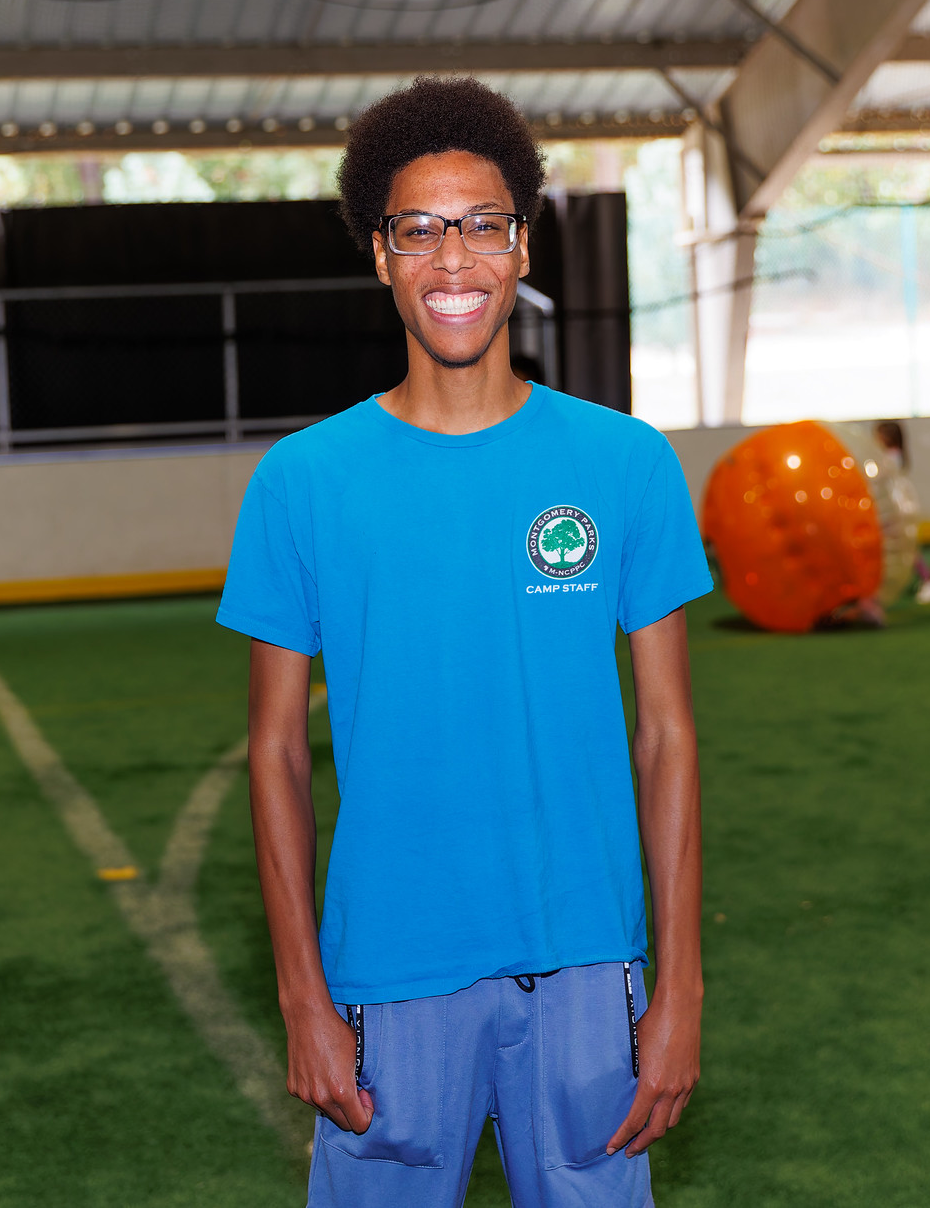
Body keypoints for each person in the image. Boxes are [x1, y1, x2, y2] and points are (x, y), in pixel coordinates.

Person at [218, 76, 712, 1208]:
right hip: (386, 979)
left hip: (589, 972)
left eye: (482, 225)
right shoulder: (301, 484)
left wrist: (676, 989)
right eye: (419, 230)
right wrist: (301, 994)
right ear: (378, 255)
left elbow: (668, 739)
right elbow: (276, 753)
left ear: (522, 245)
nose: (454, 260)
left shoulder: (624, 465)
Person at [873, 421, 930, 605]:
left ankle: (929, 579)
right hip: (894, 507)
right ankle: (926, 578)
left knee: (904, 548)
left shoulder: (891, 458)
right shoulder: (890, 456)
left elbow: (881, 479)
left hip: (895, 509)